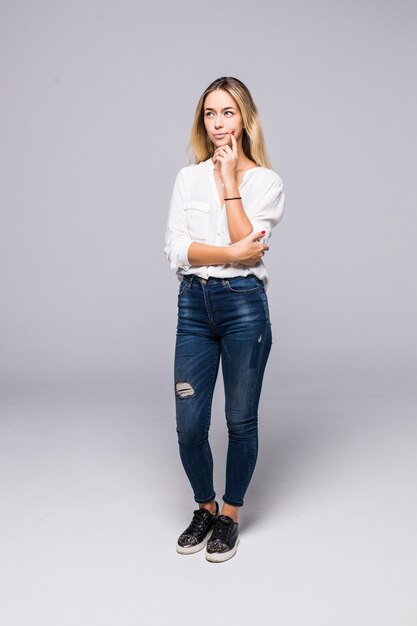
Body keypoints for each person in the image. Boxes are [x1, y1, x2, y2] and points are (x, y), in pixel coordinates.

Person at [164, 76, 285, 563]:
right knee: (189, 426)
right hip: (194, 305)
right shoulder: (187, 178)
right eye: (211, 114)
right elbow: (175, 249)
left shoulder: (266, 182)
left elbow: (249, 247)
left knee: (239, 420)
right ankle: (204, 507)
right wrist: (231, 251)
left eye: (228, 113)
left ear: (245, 118)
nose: (218, 123)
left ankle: (229, 515)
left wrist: (232, 181)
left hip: (243, 307)